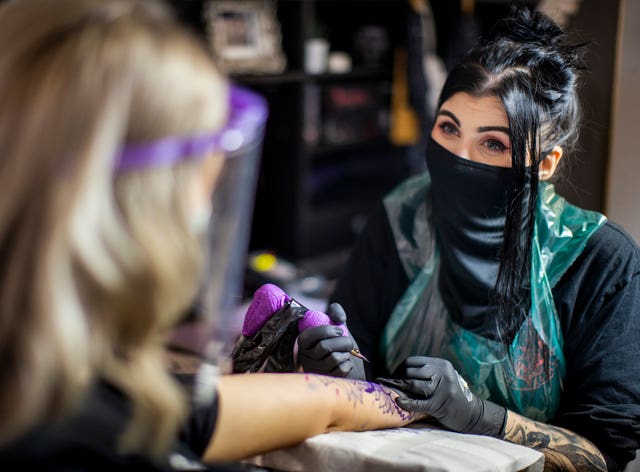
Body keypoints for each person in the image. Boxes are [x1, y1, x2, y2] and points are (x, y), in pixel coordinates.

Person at [0, 0, 421, 470]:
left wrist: (365, 393)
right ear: (133, 213)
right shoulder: (71, 443)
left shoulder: (61, 378)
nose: (202, 217)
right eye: (200, 191)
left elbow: (206, 412)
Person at [297, 6, 640, 472]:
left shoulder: (604, 262)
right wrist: (348, 374)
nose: (459, 157)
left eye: (493, 143)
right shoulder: (403, 220)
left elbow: (603, 456)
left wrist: (481, 417)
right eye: (448, 128)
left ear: (544, 164)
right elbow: (357, 350)